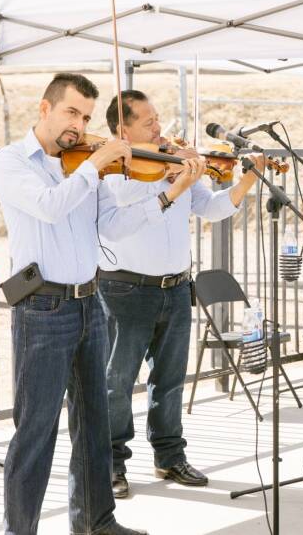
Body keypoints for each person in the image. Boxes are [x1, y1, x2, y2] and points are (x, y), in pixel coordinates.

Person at [0, 73, 150, 535]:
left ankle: (96, 522)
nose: (79, 125)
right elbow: (49, 205)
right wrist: (95, 165)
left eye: (85, 117)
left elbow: (112, 226)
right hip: (42, 309)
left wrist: (165, 192)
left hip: (89, 303)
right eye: (71, 112)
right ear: (45, 108)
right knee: (36, 430)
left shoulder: (85, 164)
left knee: (94, 423)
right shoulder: (12, 161)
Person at [97, 90, 265, 498]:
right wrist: (171, 180)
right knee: (116, 382)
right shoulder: (111, 170)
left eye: (158, 118)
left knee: (170, 379)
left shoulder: (175, 164)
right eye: (149, 122)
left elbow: (211, 208)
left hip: (174, 288)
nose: (160, 127)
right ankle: (110, 463)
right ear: (123, 130)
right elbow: (118, 218)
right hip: (125, 288)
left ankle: (169, 456)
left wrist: (247, 179)